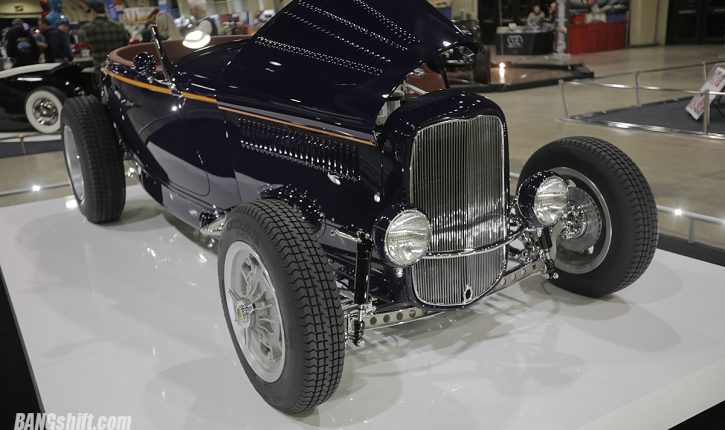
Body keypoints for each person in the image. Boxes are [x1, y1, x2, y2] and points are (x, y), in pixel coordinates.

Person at [81, 0, 129, 67]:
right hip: (117, 65)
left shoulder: (87, 28)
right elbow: (125, 44)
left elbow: (85, 45)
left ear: (93, 11)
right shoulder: (119, 26)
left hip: (100, 65)